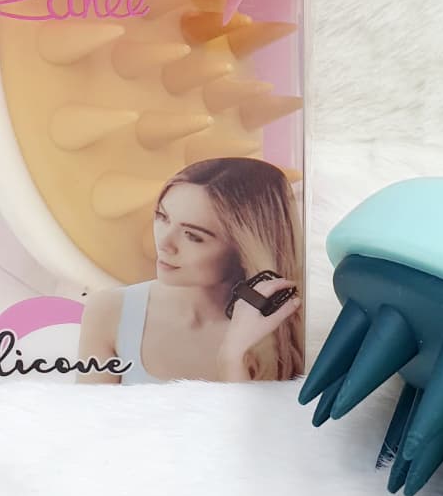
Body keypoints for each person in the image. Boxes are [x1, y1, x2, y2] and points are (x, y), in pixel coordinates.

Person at [77, 157, 303, 384]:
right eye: (162, 217)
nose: (165, 244)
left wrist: (232, 359)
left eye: (193, 236)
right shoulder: (110, 311)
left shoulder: (286, 331)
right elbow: (88, 408)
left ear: (245, 251)